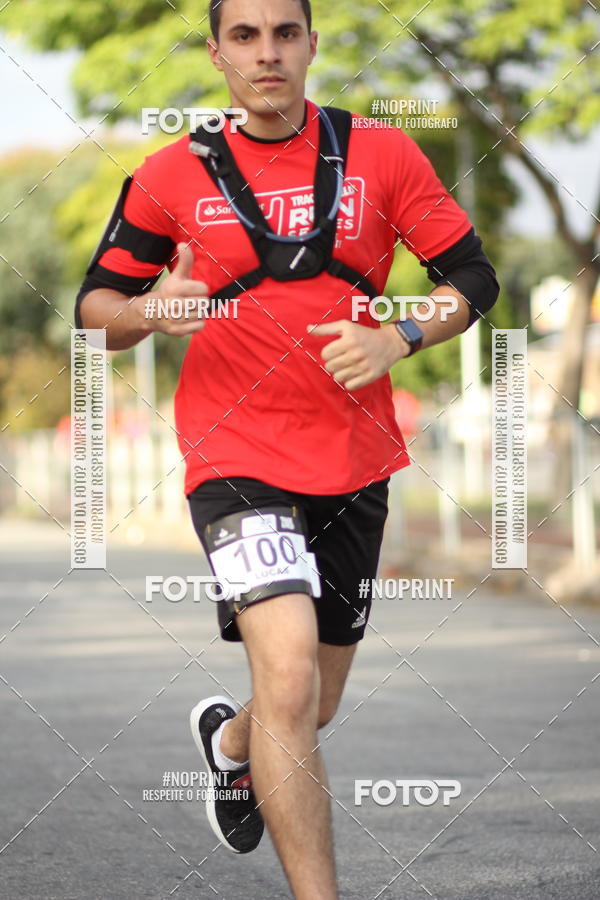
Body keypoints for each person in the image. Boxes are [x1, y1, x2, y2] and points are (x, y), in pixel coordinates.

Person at [76, 0, 499, 896]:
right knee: (291, 673)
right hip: (234, 457)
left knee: (311, 702)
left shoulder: (383, 153)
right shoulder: (170, 173)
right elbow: (96, 314)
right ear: (217, 53)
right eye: (244, 36)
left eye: (283, 33)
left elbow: (472, 277)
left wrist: (401, 335)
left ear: (310, 44)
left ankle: (230, 742)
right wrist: (158, 309)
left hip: (355, 457)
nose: (266, 53)